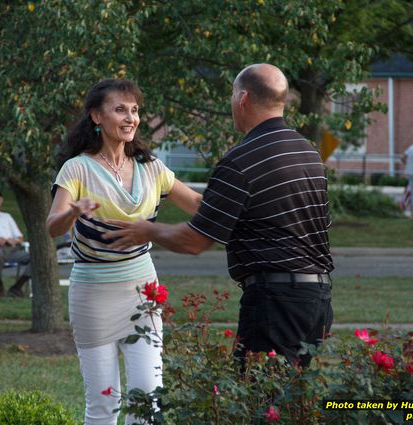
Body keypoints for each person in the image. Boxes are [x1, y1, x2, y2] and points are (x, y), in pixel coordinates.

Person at [103, 64, 334, 368]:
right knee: (293, 402)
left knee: (260, 397)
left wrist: (147, 231)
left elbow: (194, 241)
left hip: (276, 302)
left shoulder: (241, 161)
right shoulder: (307, 152)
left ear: (243, 98)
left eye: (231, 93)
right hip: (319, 299)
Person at [45, 79, 201, 425]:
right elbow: (53, 225)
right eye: (120, 109)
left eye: (135, 110)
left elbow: (199, 206)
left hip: (143, 293)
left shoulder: (153, 168)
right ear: (96, 117)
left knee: (149, 402)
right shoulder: (77, 168)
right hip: (93, 298)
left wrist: (248, 203)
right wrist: (73, 212)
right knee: (103, 406)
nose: (131, 118)